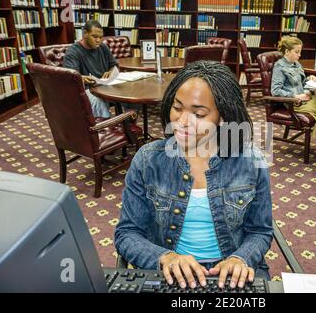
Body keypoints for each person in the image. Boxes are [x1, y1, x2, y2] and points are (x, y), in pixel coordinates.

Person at [114, 61, 273, 290]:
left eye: (198, 113)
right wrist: (165, 257)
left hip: (232, 274)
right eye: (177, 108)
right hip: (172, 274)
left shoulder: (251, 160)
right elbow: (127, 233)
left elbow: (260, 231)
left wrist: (241, 259)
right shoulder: (148, 160)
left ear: (223, 117)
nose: (182, 122)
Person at [63, 20, 116, 118]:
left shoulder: (103, 47)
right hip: (87, 90)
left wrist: (111, 71)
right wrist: (82, 78)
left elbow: (114, 65)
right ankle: (105, 129)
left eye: (100, 37)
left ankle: (128, 127)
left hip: (104, 85)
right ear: (85, 34)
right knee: (97, 101)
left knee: (130, 94)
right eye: (95, 37)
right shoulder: (73, 52)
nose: (98, 40)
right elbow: (70, 77)